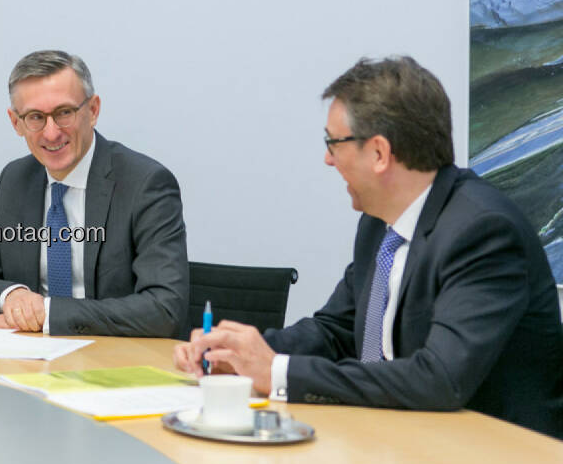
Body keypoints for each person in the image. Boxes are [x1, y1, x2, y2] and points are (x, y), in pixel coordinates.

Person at [175, 56, 563, 439]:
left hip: (495, 461)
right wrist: (239, 355)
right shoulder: (378, 224)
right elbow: (336, 331)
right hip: (400, 441)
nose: (327, 159)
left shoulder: (482, 231)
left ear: (379, 153)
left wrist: (277, 372)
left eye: (334, 143)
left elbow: (440, 378)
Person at [0, 50, 188, 337]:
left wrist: (47, 314)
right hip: (30, 362)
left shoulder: (145, 184)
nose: (51, 133)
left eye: (64, 113)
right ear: (17, 123)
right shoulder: (15, 180)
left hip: (113, 363)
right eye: (36, 117)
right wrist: (13, 297)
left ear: (93, 110)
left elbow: (164, 309)